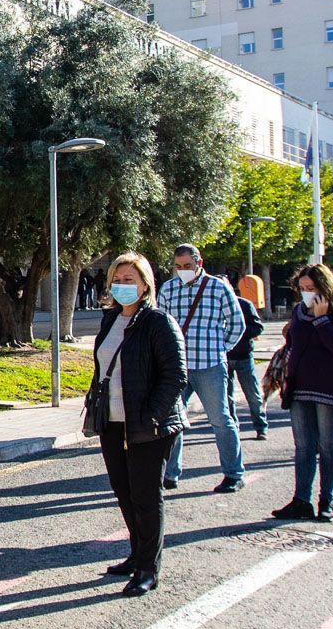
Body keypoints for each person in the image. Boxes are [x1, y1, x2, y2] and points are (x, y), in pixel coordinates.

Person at [88, 253, 187, 596]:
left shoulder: (158, 322)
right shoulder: (110, 320)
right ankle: (136, 553)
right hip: (113, 421)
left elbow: (175, 376)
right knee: (124, 491)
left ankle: (149, 568)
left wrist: (153, 416)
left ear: (145, 285)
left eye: (130, 280)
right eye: (118, 279)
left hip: (149, 424)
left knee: (146, 496)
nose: (122, 286)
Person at [154, 243, 248, 493]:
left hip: (210, 365)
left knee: (220, 420)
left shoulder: (218, 288)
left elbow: (237, 323)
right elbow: (160, 324)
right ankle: (170, 473)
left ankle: (233, 473)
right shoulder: (168, 289)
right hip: (176, 368)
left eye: (187, 266)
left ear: (199, 264)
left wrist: (220, 348)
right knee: (171, 421)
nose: (182, 270)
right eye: (178, 266)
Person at [271, 264, 333, 522]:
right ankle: (301, 500)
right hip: (300, 385)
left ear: (325, 287)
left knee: (329, 446)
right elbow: (296, 344)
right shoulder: (299, 311)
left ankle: (326, 501)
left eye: (312, 288)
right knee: (303, 447)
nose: (307, 293)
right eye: (303, 289)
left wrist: (321, 318)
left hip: (330, 386)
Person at [224, 276, 269, 440]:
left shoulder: (243, 304)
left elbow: (257, 328)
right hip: (223, 357)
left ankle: (261, 426)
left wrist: (237, 331)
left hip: (243, 356)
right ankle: (232, 428)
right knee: (226, 397)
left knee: (252, 393)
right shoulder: (212, 306)